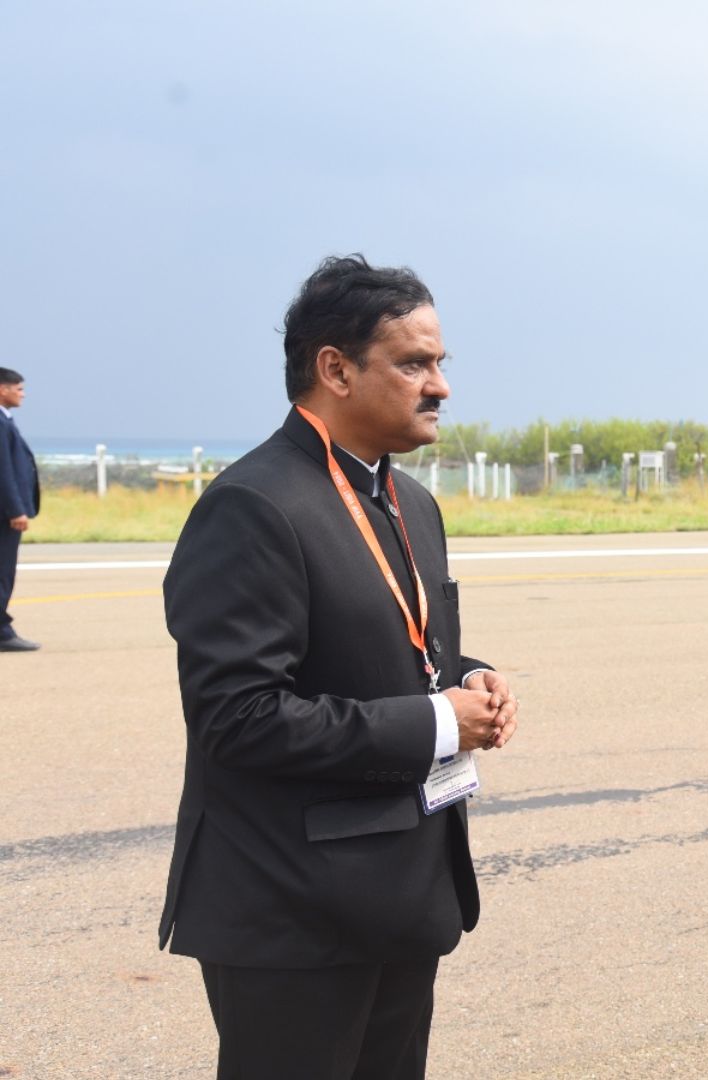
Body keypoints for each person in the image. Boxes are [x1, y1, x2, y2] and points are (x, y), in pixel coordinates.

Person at [159, 255, 521, 1080]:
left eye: (441, 364)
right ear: (335, 369)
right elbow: (237, 716)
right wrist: (437, 723)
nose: (440, 386)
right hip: (294, 911)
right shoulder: (254, 506)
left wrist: (469, 680)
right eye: (413, 363)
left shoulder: (408, 500)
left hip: (401, 890)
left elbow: (398, 649)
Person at [0, 367, 41, 652]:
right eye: (19, 388)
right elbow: (3, 471)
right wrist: (16, 510)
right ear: (3, 389)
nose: (22, 394)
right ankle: (1, 631)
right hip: (4, 516)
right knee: (2, 571)